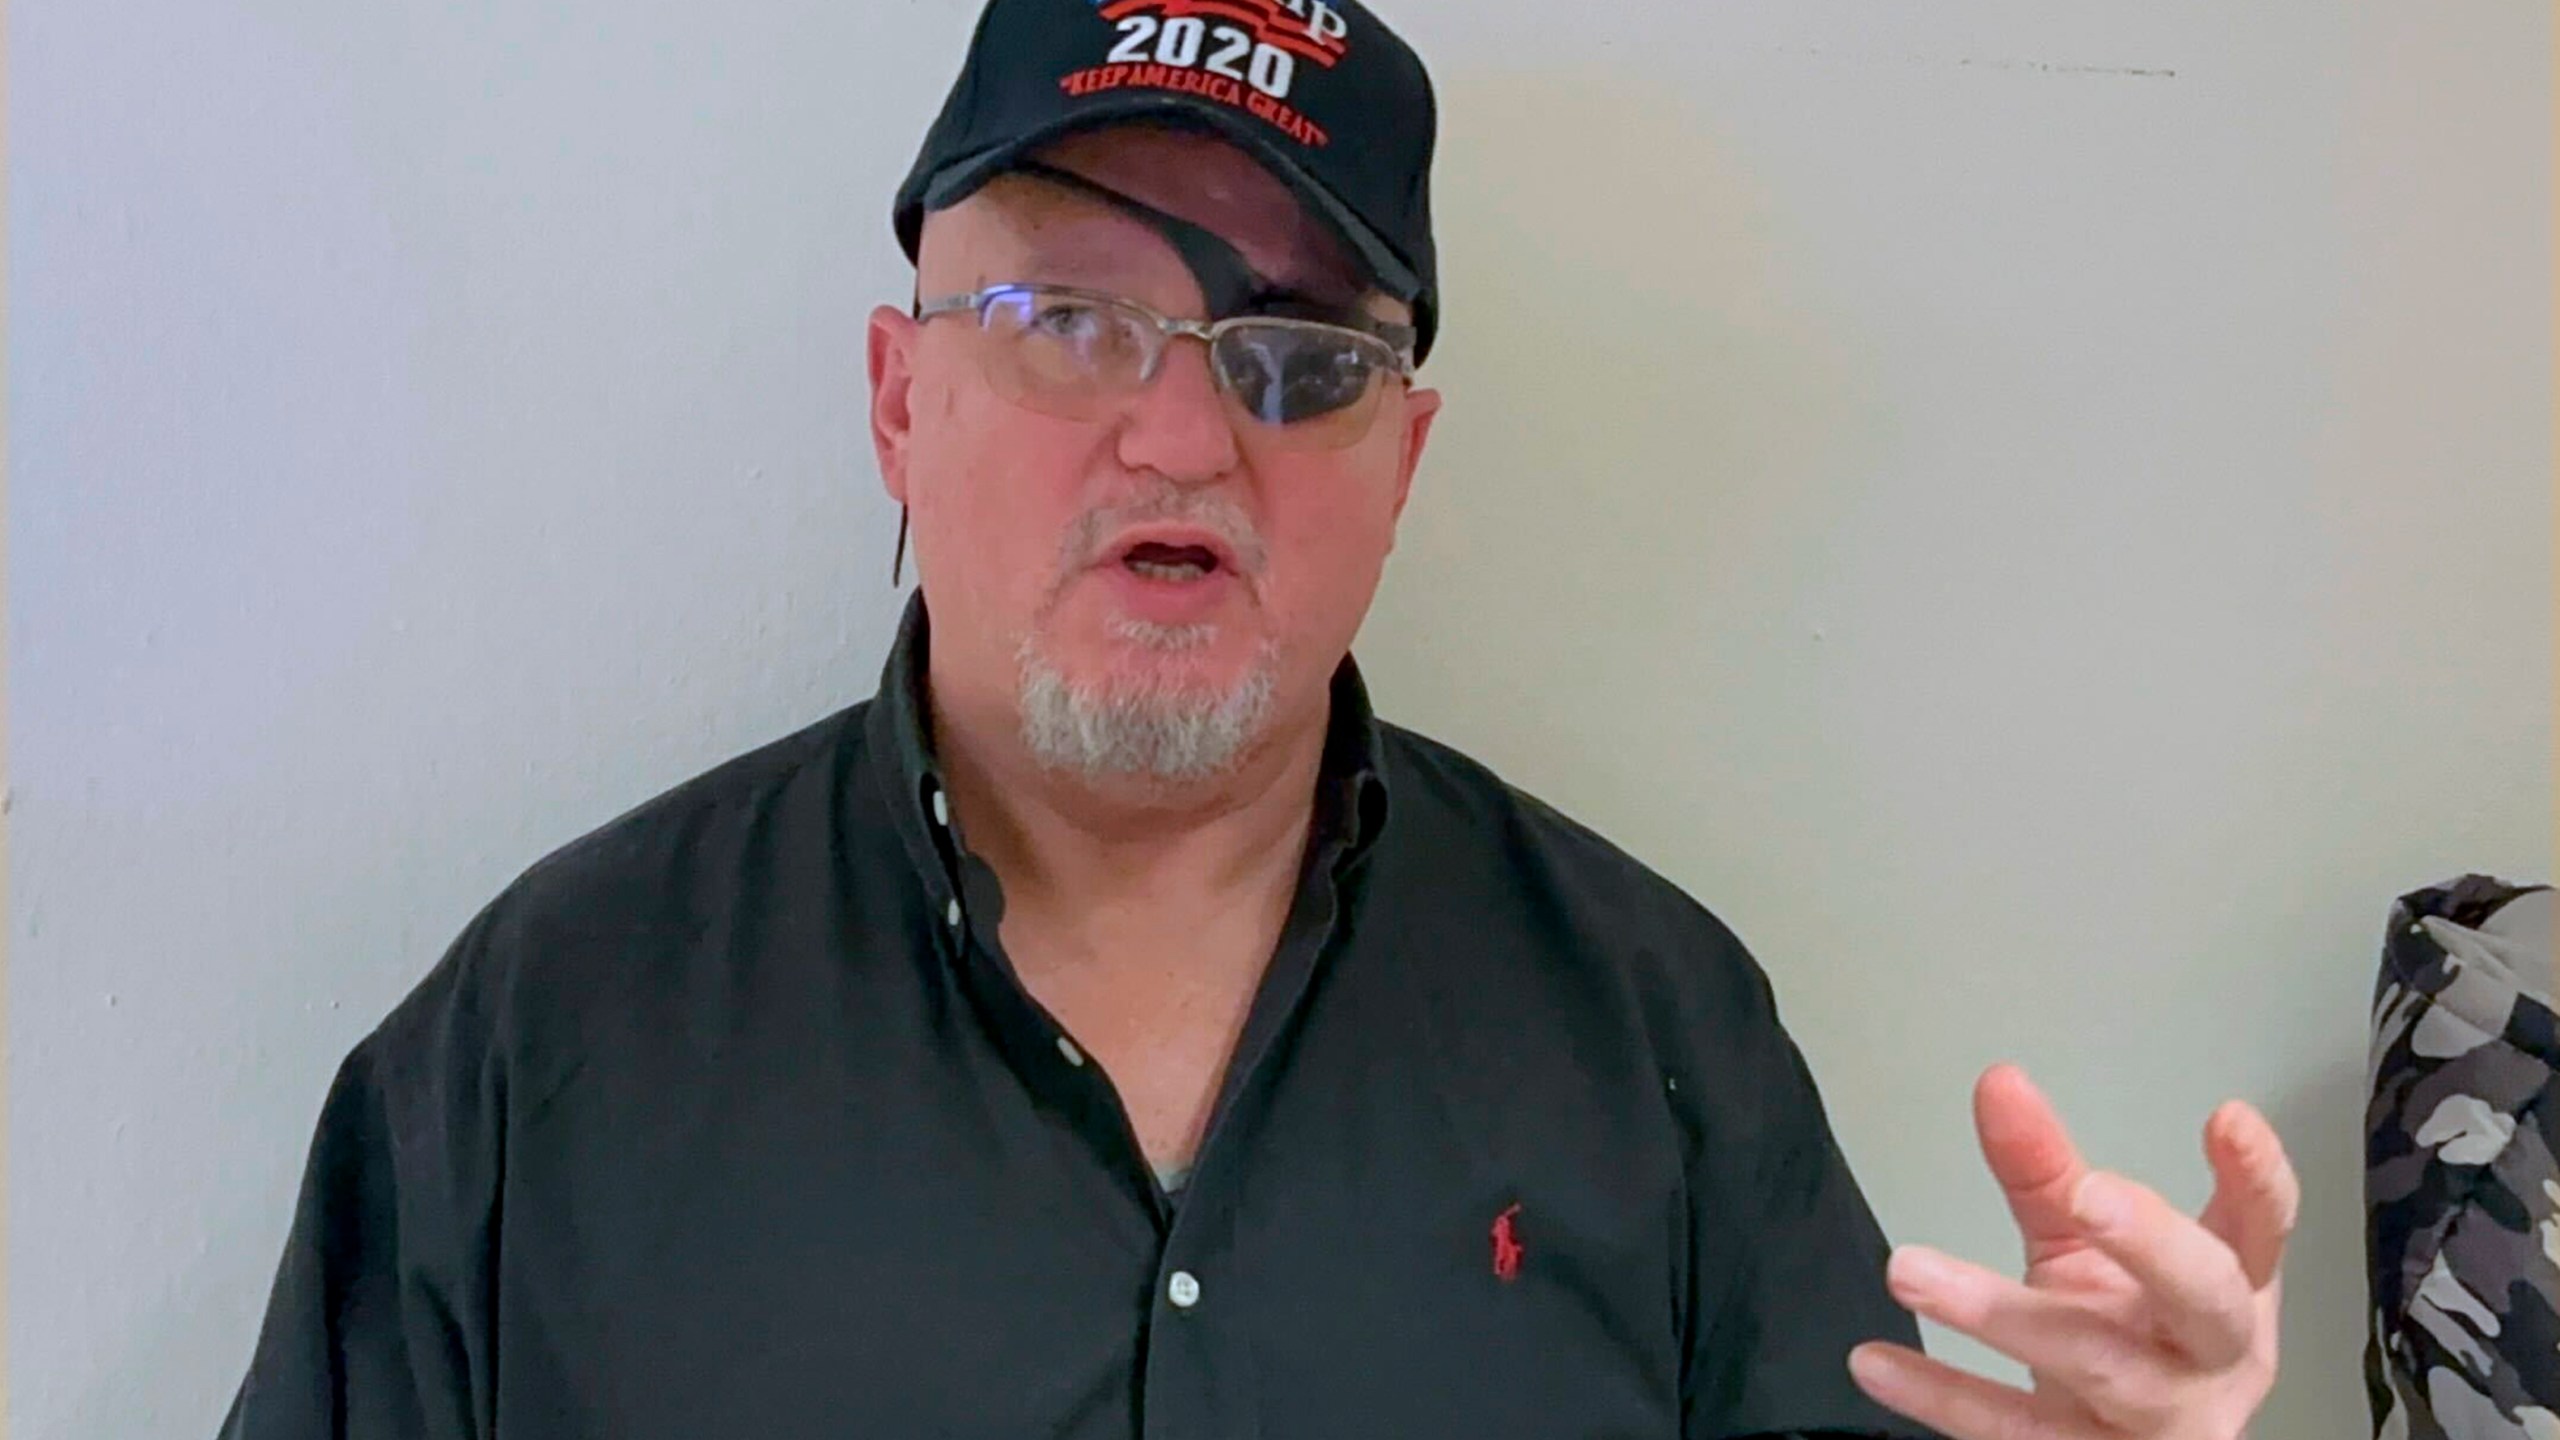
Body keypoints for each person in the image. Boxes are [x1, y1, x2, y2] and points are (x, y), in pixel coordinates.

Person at [222, 1, 2300, 1436]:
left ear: (1396, 467)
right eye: (1066, 321)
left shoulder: (1653, 1038)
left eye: (1294, 353)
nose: (1183, 433)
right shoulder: (541, 1051)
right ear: (894, 400)